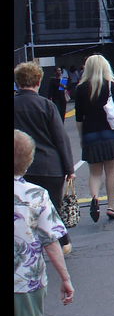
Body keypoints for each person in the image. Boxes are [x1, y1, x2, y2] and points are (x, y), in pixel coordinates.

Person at [14, 130, 74, 316]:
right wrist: (65, 278)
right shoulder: (35, 194)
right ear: (28, 161)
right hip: (26, 277)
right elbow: (51, 242)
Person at [14, 62, 76, 254]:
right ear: (38, 81)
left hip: (20, 166)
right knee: (52, 209)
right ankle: (62, 243)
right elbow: (60, 138)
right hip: (50, 165)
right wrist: (69, 169)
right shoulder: (46, 105)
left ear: (17, 82)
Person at [74, 54, 114, 222]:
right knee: (111, 172)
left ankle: (95, 198)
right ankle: (111, 206)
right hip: (109, 133)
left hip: (90, 133)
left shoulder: (80, 88)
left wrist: (82, 137)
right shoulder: (110, 85)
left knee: (94, 173)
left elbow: (78, 117)